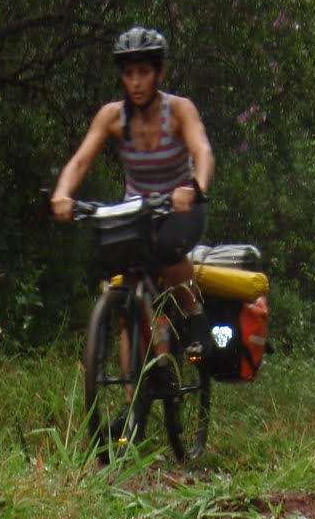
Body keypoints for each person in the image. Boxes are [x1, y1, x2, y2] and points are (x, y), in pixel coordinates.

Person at [51, 24, 214, 353]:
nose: (136, 82)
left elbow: (203, 152)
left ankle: (194, 313)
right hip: (137, 210)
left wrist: (195, 188)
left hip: (180, 206)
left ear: (159, 74)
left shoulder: (179, 110)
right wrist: (63, 193)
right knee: (127, 285)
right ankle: (139, 381)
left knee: (169, 251)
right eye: (129, 74)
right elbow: (80, 161)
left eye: (143, 72)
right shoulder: (112, 117)